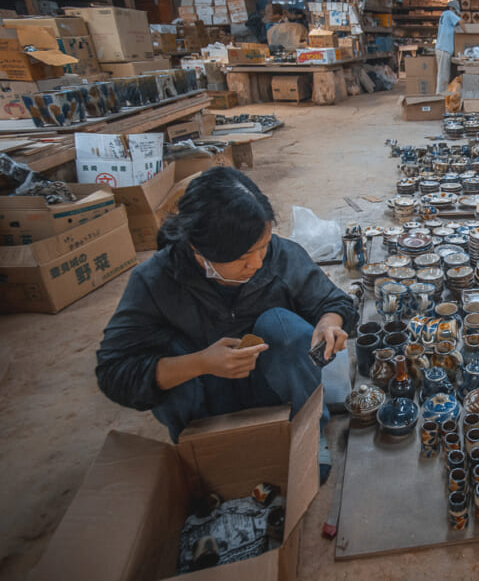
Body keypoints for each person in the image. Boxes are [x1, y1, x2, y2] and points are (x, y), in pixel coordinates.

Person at [95, 167, 357, 482]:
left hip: (273, 392)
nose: (257, 263)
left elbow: (333, 301)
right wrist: (200, 363)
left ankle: (308, 434)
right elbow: (114, 371)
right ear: (199, 250)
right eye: (242, 257)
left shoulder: (281, 256)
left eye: (262, 246)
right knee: (164, 353)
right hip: (205, 406)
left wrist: (328, 324)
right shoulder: (155, 281)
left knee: (284, 327)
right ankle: (205, 454)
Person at [435, 0, 463, 95]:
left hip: (441, 48)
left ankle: (441, 96)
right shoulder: (448, 13)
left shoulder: (444, 15)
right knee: (443, 77)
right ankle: (440, 98)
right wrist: (468, 32)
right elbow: (461, 22)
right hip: (444, 49)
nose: (455, 14)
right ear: (451, 8)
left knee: (442, 75)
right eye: (455, 11)